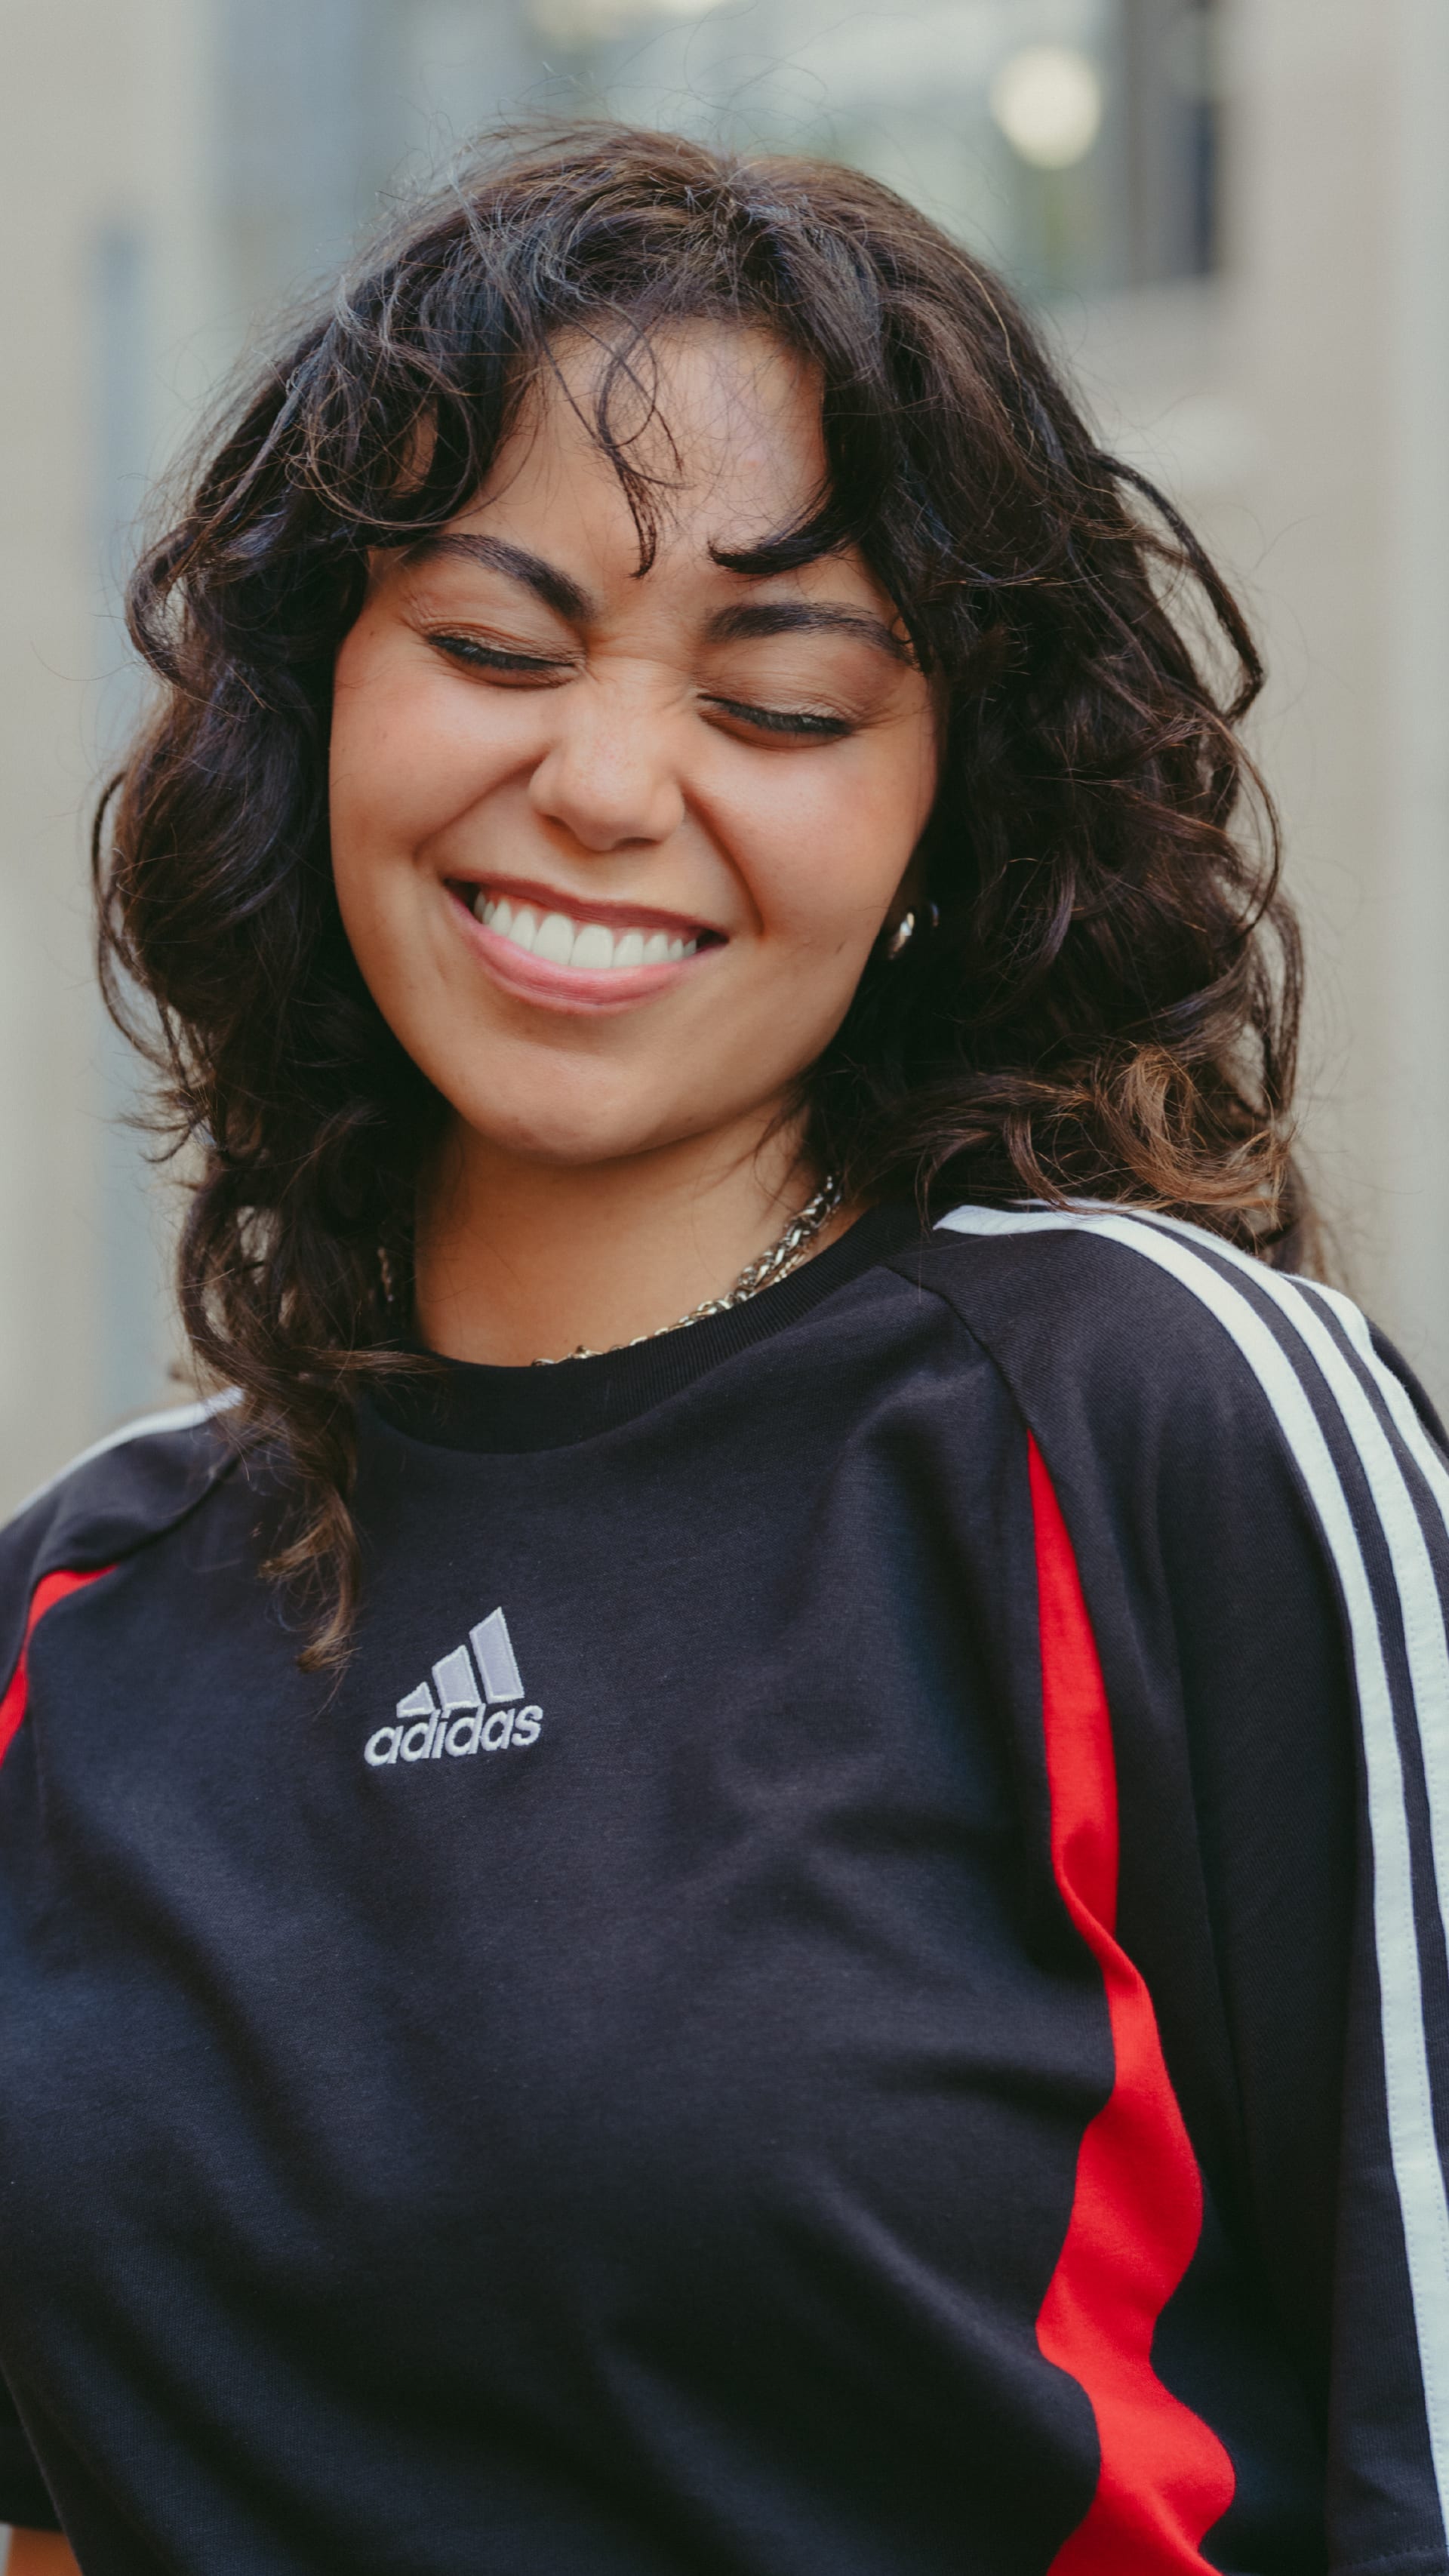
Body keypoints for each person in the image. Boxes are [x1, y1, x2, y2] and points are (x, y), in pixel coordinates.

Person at [2, 122, 1447, 2576]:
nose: (600, 785)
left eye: (780, 705)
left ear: (948, 815)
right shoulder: (71, 1611)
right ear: (312, 705)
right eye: (493, 648)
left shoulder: (1165, 1417)